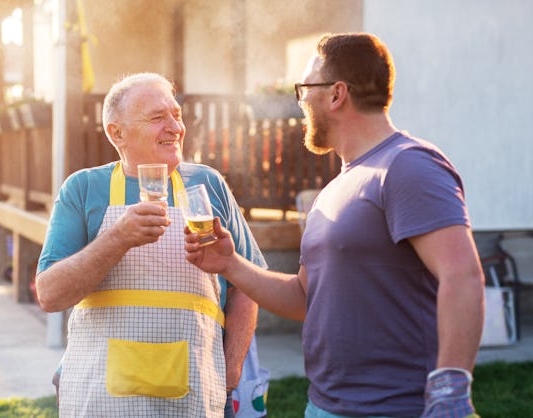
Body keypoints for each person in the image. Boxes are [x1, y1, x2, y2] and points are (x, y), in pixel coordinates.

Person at [185, 33, 485, 418]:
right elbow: (304, 298)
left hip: (399, 409)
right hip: (325, 406)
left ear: (336, 94)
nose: (302, 102)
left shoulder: (408, 165)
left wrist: (450, 389)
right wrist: (230, 265)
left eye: (304, 89)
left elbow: (462, 275)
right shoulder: (334, 190)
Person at [35, 72, 267, 417]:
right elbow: (50, 295)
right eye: (158, 118)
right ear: (117, 133)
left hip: (196, 395)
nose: (175, 127)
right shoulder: (83, 189)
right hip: (101, 400)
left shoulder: (207, 184)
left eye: (177, 114)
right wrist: (118, 237)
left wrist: (231, 369)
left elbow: (247, 286)